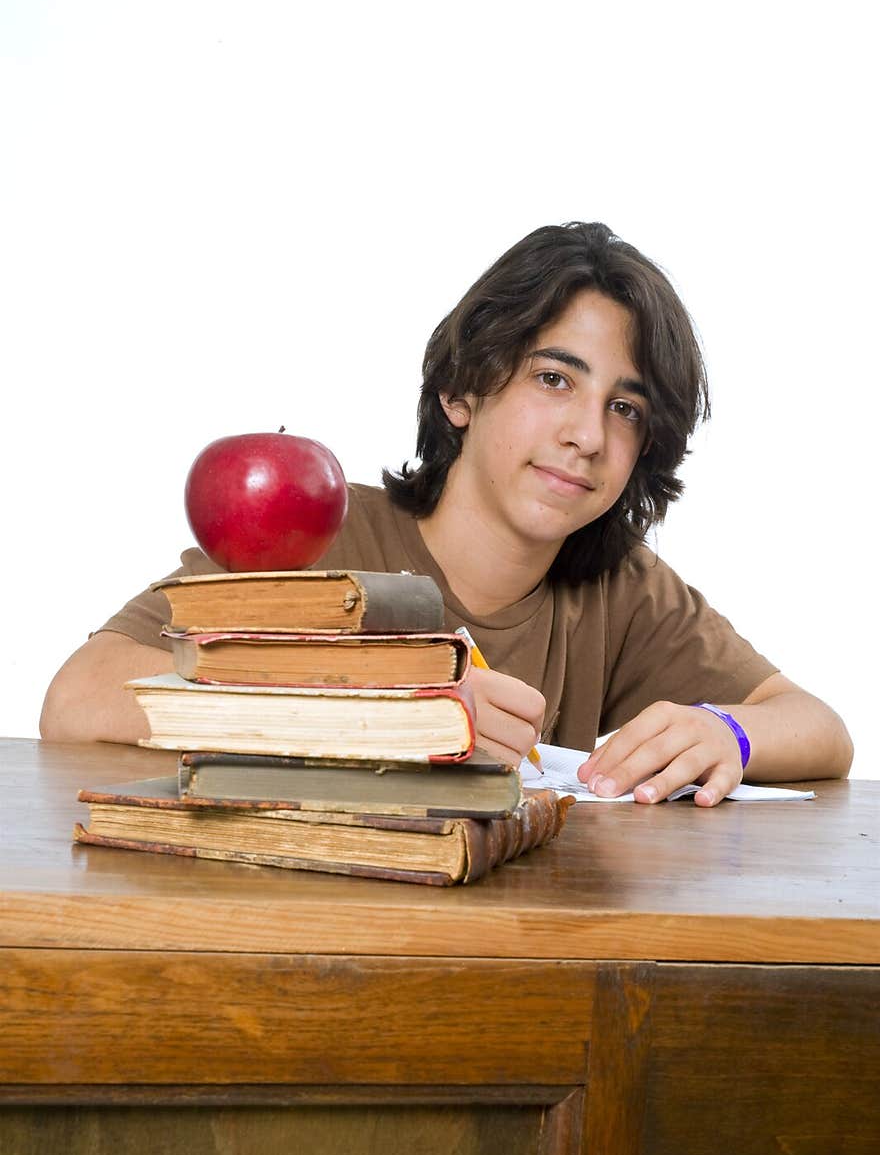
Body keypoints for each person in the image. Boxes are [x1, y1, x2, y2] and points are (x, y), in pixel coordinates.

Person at [40, 222, 853, 804]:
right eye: (554, 380)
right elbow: (79, 698)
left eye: (628, 408)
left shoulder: (620, 588)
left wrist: (729, 735)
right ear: (461, 390)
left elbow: (818, 728)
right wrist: (394, 712)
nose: (588, 436)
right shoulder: (316, 537)